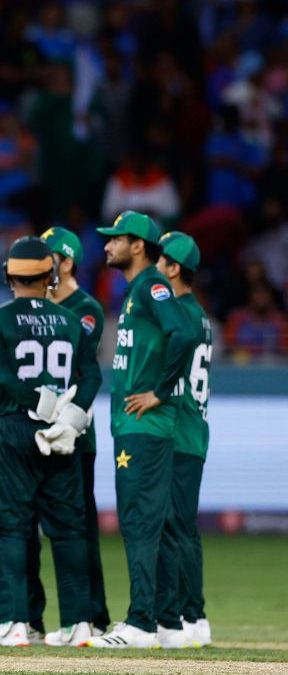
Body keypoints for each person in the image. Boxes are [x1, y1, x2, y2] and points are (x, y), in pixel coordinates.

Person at [0, 236, 98, 648]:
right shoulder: (71, 321)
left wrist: (41, 410)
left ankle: (16, 623)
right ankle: (79, 624)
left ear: (8, 274)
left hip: (16, 428)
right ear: (51, 274)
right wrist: (68, 416)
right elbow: (92, 377)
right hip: (64, 435)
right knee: (69, 529)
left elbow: (5, 378)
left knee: (12, 526)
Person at [87, 211, 194, 649]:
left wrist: (160, 392)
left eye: (117, 238)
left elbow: (183, 333)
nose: (107, 245)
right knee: (155, 521)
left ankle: (140, 623)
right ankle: (167, 622)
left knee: (139, 522)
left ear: (138, 245)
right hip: (137, 423)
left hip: (144, 423)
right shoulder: (135, 291)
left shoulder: (151, 285)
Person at [27, 226, 110, 643]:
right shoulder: (34, 306)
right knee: (29, 528)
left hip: (75, 435)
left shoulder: (85, 308)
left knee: (77, 528)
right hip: (33, 432)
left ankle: (91, 616)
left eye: (49, 258)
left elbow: (80, 371)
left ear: (67, 262)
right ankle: (31, 619)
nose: (43, 265)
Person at [154, 232, 214, 648]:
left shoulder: (181, 316)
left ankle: (188, 615)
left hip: (180, 428)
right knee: (182, 526)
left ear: (174, 268)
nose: (155, 267)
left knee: (176, 526)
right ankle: (192, 614)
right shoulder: (200, 314)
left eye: (160, 260)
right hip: (192, 429)